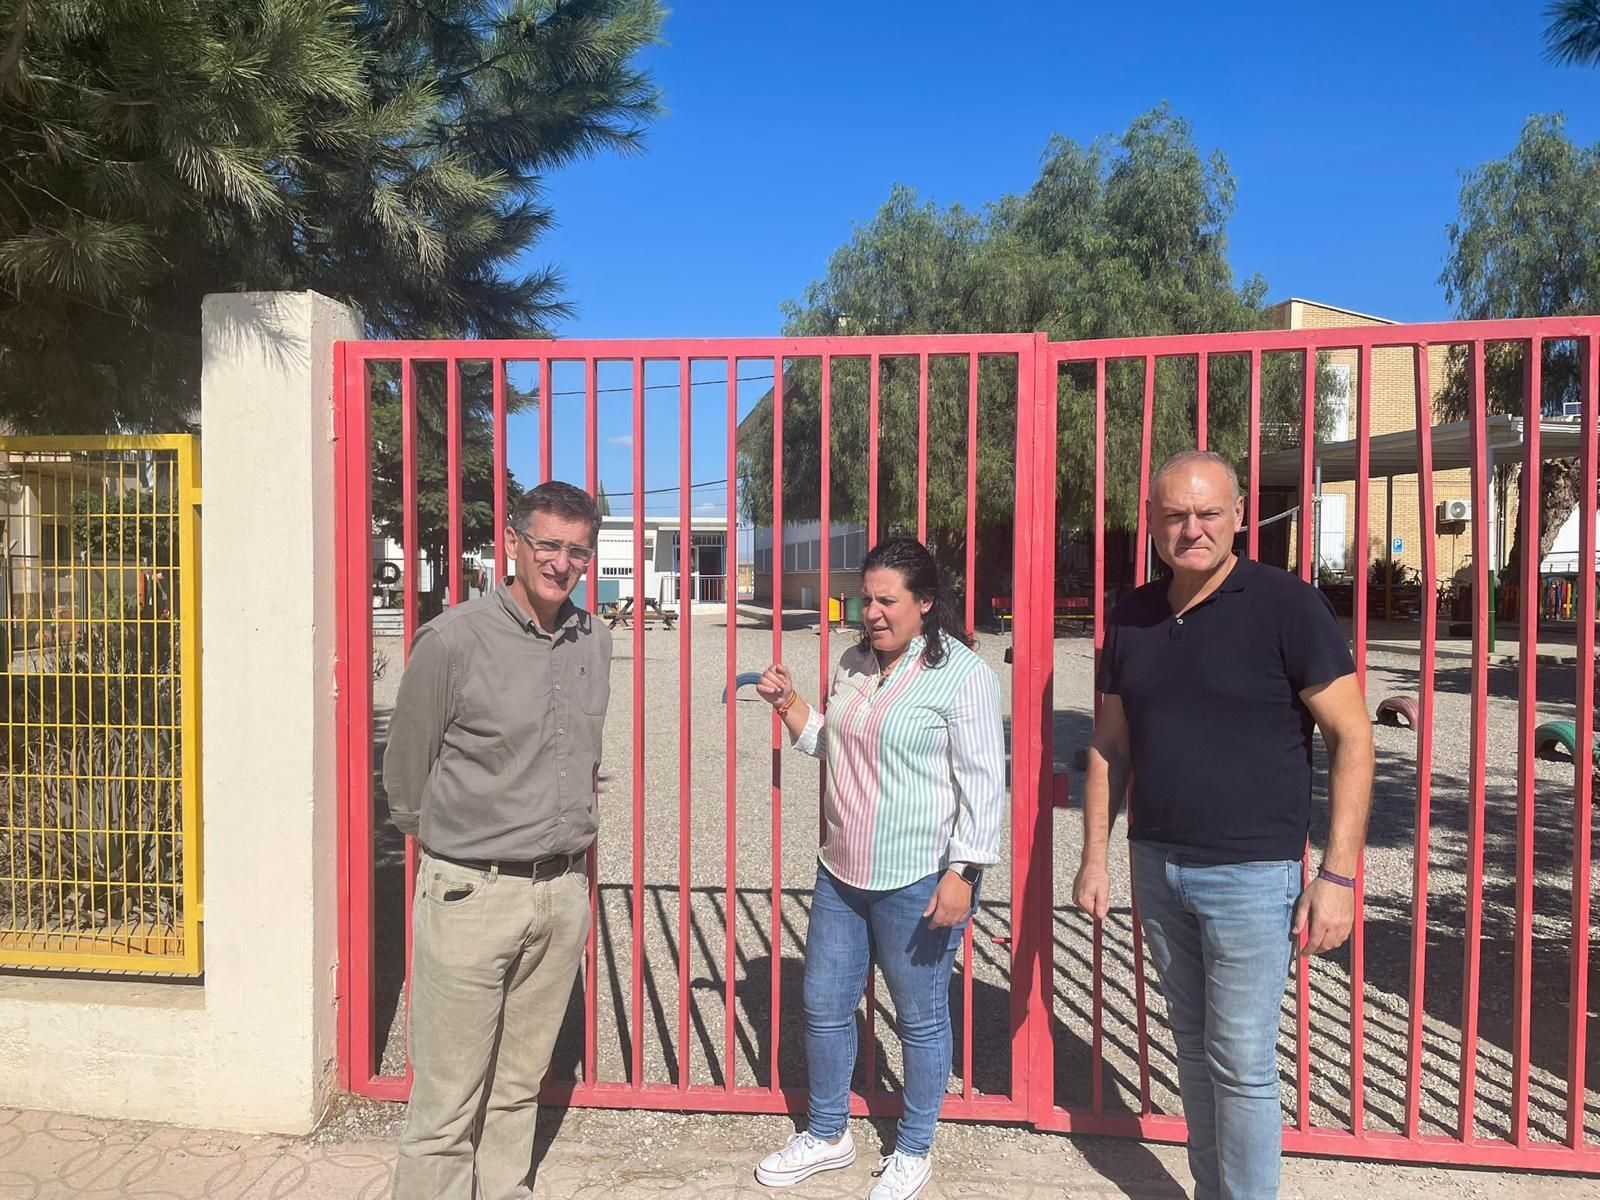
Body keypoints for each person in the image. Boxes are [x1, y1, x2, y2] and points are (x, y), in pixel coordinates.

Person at [1073, 450, 1374, 1200]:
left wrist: (1336, 877)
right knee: (1194, 1051)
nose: (1192, 529)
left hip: (1252, 873)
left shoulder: (1286, 604)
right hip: (1157, 862)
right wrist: (1094, 857)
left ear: (1240, 514)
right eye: (1174, 516)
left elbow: (1353, 738)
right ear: (1152, 525)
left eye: (1208, 513)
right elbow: (1111, 743)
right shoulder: (1132, 614)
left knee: (1240, 1060)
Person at [752, 537, 1006, 1200]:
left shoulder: (965, 677)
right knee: (824, 1004)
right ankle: (829, 1132)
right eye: (866, 598)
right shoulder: (853, 664)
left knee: (920, 1015)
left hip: (919, 877)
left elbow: (982, 784)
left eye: (887, 600)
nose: (872, 612)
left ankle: (915, 1147)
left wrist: (965, 874)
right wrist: (788, 704)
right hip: (842, 871)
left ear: (925, 603)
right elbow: (831, 746)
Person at [384, 480, 611, 1200]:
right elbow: (406, 774)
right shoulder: (453, 639)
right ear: (514, 542)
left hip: (561, 892)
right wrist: (461, 848)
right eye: (547, 543)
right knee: (447, 1101)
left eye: (576, 549)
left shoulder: (593, 639)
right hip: (470, 892)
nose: (561, 562)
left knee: (517, 1086)